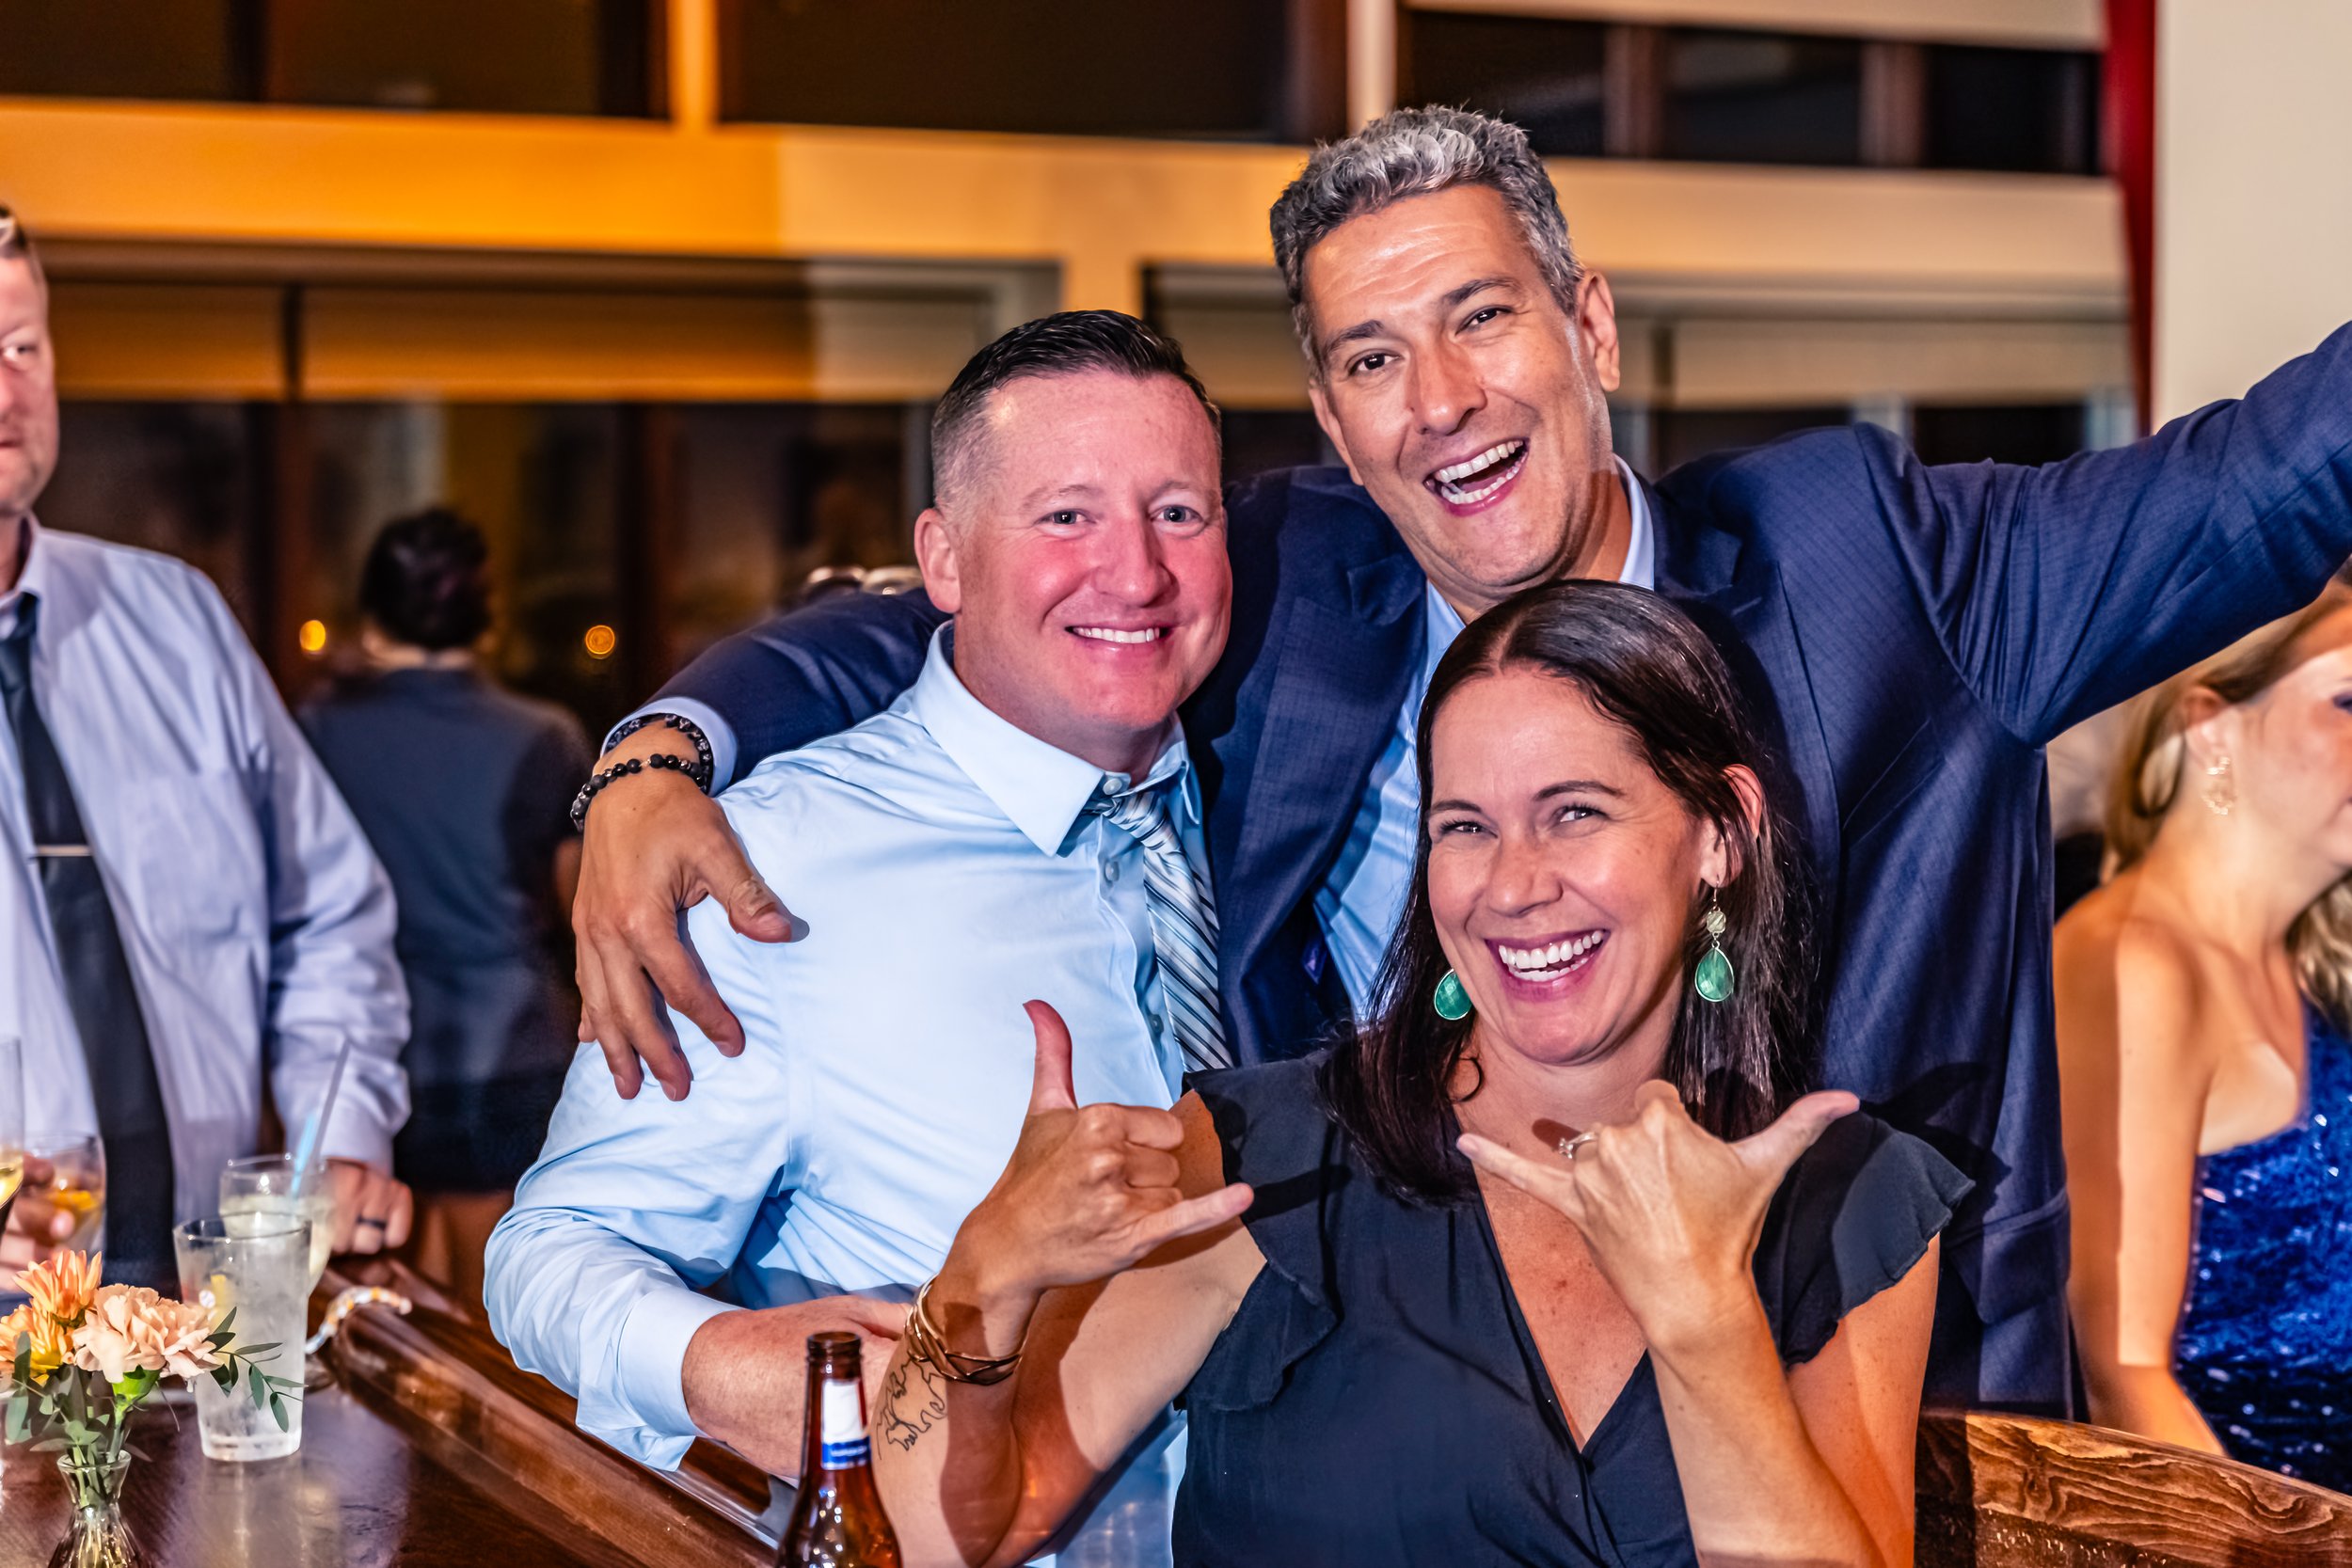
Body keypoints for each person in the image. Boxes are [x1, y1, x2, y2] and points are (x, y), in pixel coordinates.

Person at [565, 106, 2352, 1414]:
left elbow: (2273, 477)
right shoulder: (1292, 586)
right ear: (1333, 420)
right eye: (1372, 357)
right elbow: (977, 602)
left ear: (1588, 328)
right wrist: (663, 750)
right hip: (1394, 1429)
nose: (1442, 401)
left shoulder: (1874, 568)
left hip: (1844, 1422)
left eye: (1483, 319)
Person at [872, 581, 1965, 1568]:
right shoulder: (1260, 1156)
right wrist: (985, 1276)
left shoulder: (1852, 1200)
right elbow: (952, 1533)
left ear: (1720, 831)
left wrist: (1703, 1320)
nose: (1512, 884)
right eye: (1464, 826)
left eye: (1573, 811)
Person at [485, 312, 1232, 1559]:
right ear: (941, 558)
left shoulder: (1271, 782)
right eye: (1066, 517)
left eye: (1179, 513)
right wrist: (713, 1360)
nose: (1136, 573)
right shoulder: (778, 864)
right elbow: (551, 1250)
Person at [0, 202, 410, 1290]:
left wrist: (341, 1138)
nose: (6, 392)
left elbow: (327, 911)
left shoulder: (175, 622)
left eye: (22, 346)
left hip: (210, 1314)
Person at [2055, 578, 2352, 1491]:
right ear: (2209, 725)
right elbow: (2123, 1371)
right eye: (2347, 701)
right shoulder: (2137, 961)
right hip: (2254, 1524)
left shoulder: (2303, 955)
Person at [300, 508, 591, 1307]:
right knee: (512, 1318)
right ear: (488, 616)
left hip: (374, 1058)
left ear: (372, 611)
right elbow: (582, 913)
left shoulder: (315, 732)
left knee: (393, 1320)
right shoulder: (545, 735)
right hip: (513, 1049)